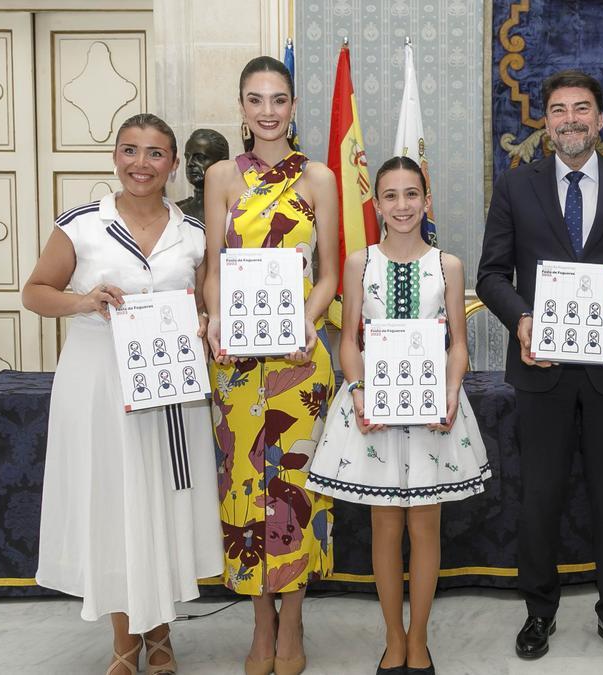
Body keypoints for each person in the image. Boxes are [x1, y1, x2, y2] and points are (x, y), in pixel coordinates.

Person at [475, 69, 603, 665]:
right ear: (544, 121)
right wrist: (522, 320)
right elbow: (490, 275)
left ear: (601, 119)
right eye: (558, 110)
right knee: (540, 496)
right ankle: (539, 610)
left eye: (581, 109)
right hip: (542, 366)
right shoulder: (517, 187)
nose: (570, 120)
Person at [24, 113, 221, 675]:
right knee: (115, 505)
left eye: (156, 154)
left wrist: (207, 321)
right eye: (131, 151)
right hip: (99, 383)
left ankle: (160, 634)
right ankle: (125, 641)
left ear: (174, 165)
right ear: (115, 156)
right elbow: (35, 293)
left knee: (160, 503)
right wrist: (85, 300)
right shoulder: (81, 225)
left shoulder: (194, 233)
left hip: (168, 387)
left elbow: (205, 302)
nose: (142, 164)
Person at [306, 156, 491, 675]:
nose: (403, 205)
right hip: (375, 414)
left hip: (433, 412)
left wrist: (451, 393)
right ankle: (392, 635)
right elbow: (348, 342)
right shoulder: (359, 263)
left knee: (425, 529)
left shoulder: (447, 265)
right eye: (391, 195)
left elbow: (458, 344)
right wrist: (361, 392)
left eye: (412, 194)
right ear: (377, 204)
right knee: (385, 528)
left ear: (426, 201)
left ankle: (419, 638)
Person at [201, 56, 340, 675]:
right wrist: (216, 322)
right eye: (255, 100)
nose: (267, 111)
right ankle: (262, 625)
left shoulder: (320, 178)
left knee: (295, 495)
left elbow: (331, 274)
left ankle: (295, 623)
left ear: (291, 107)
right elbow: (212, 269)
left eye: (278, 99)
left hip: (298, 361)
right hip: (237, 365)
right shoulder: (222, 177)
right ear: (241, 109)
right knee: (245, 492)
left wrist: (304, 321)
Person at [175, 128, 230, 222]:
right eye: (187, 157)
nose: (189, 163)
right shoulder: (176, 212)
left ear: (222, 161)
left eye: (200, 158)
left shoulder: (236, 212)